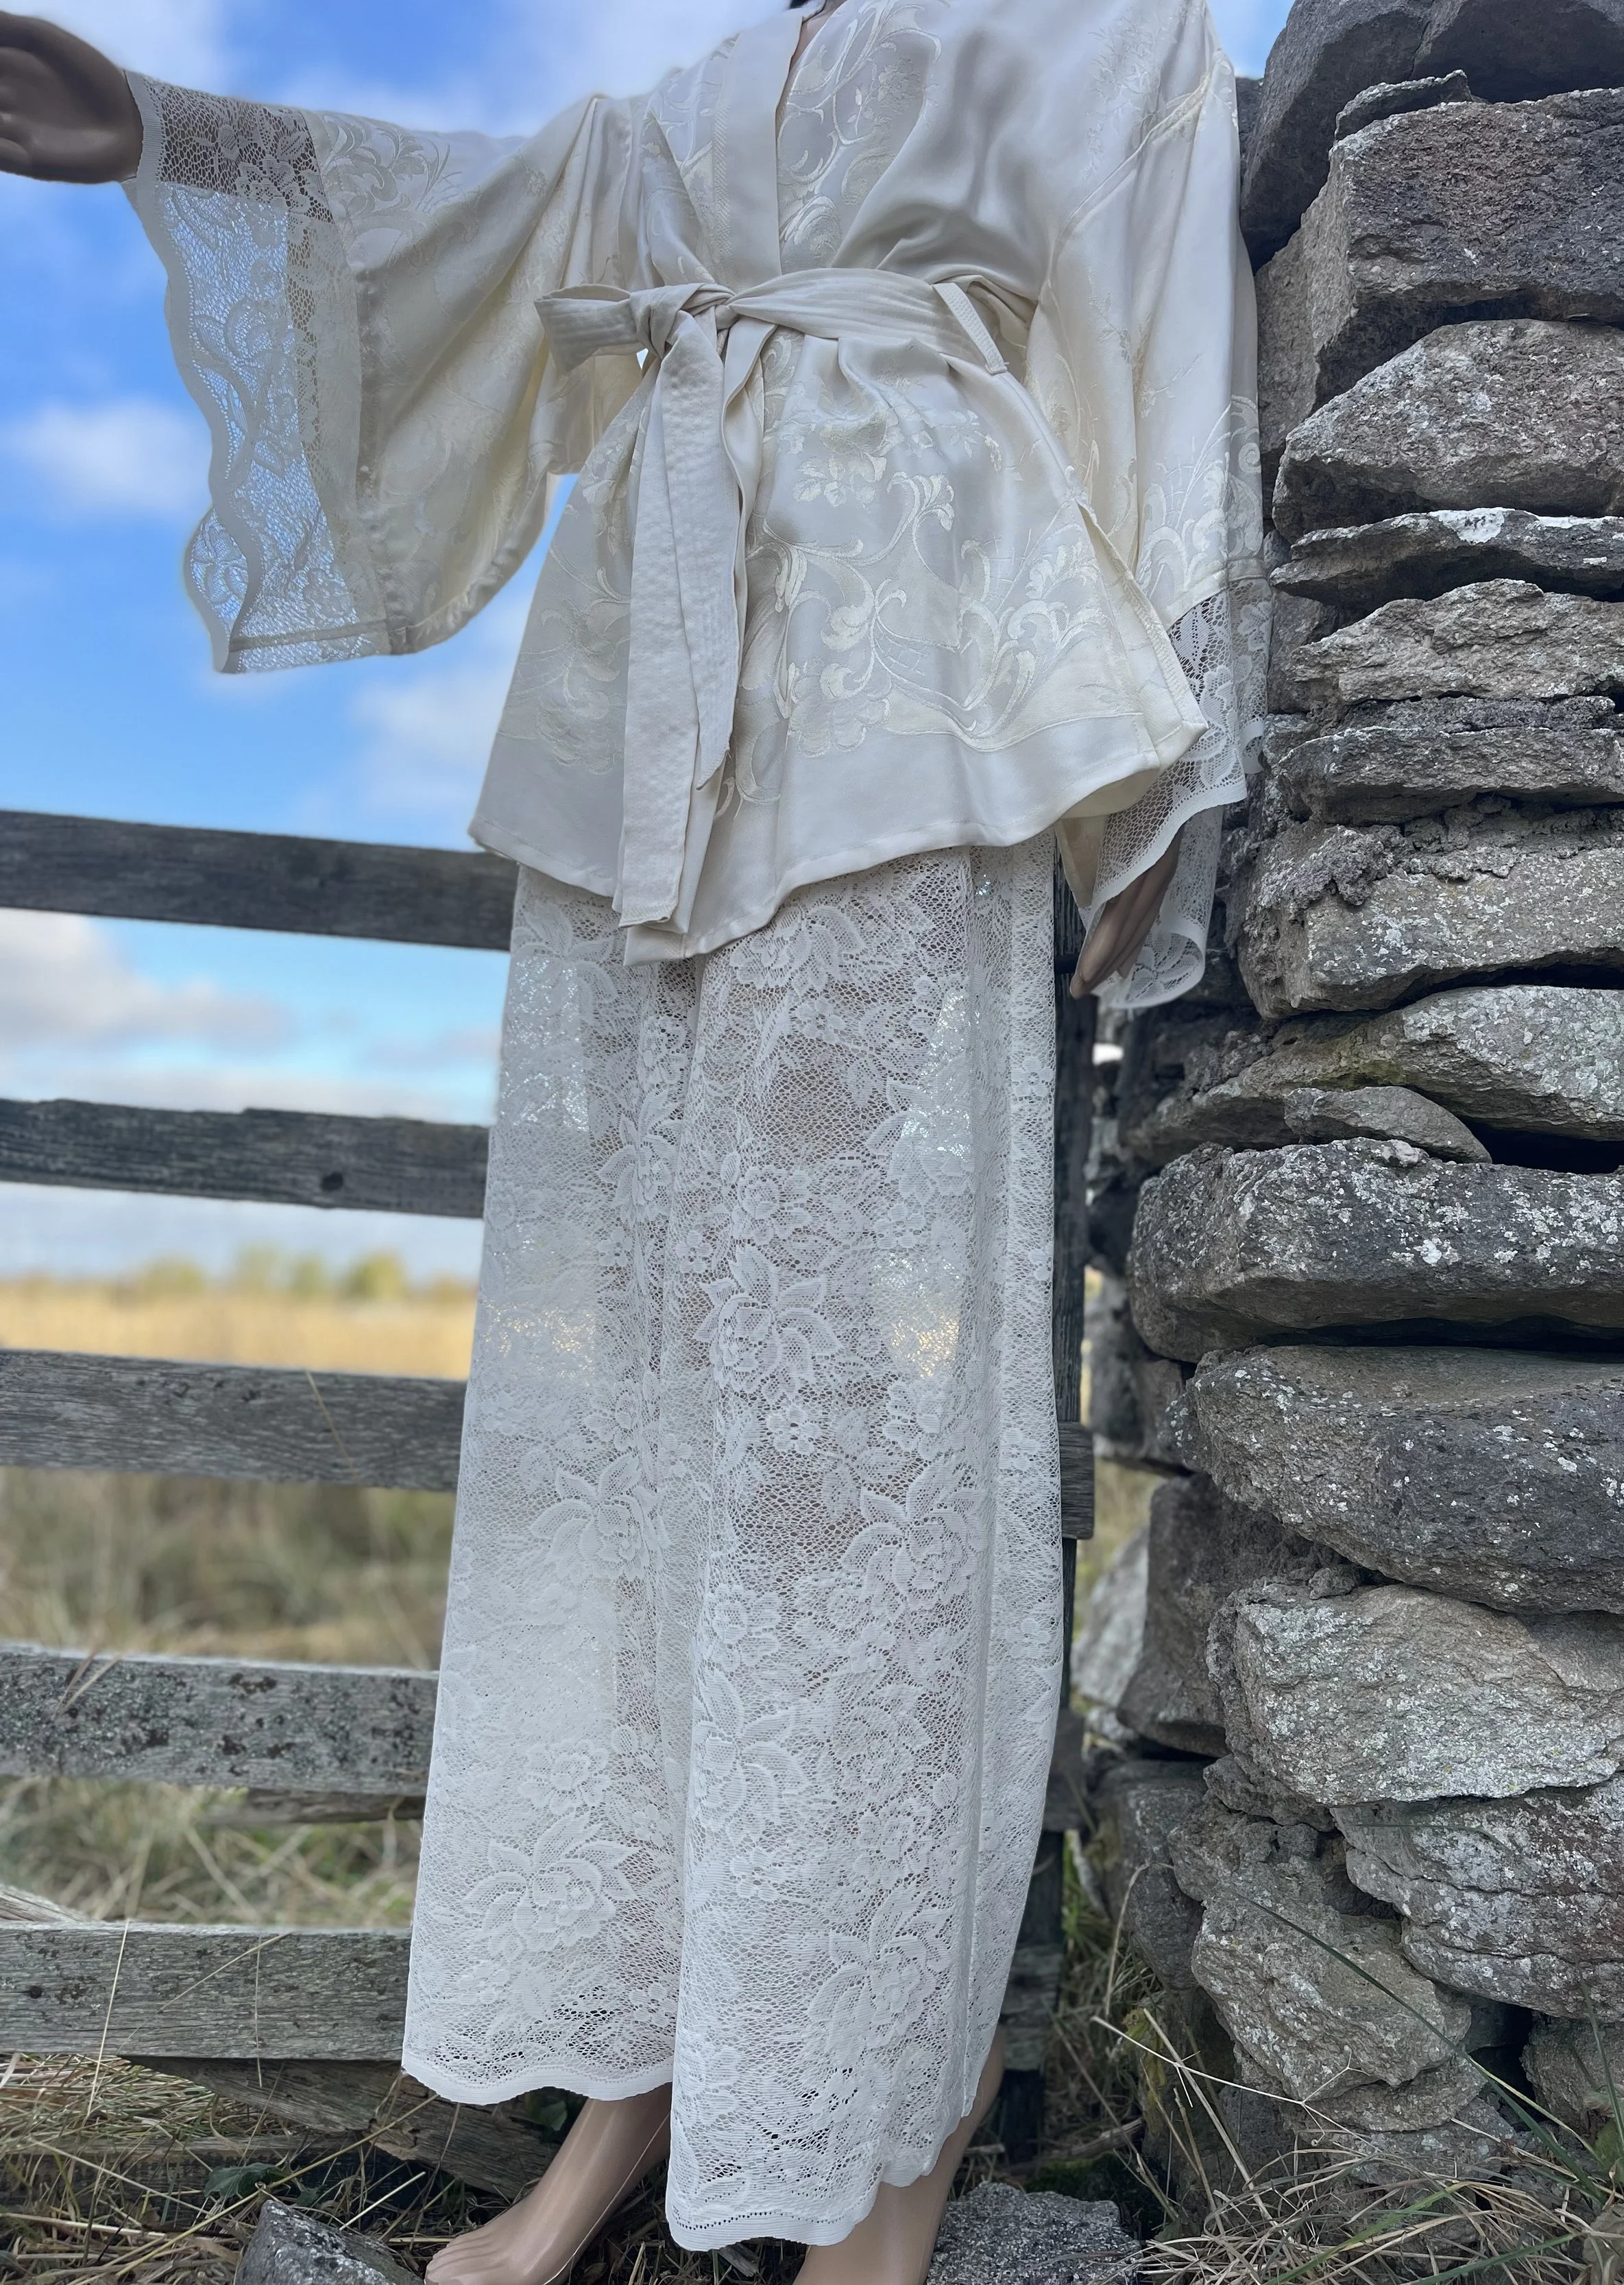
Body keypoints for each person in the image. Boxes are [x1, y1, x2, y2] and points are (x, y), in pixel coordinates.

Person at [0, 3, 1263, 2280]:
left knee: (867, 1457)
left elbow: (1157, 321)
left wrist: (1159, 751)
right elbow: (488, 216)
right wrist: (164, 132)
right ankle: (647, 2104)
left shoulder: (1093, 11)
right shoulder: (687, 98)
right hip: (642, 698)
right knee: (650, 1422)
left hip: (914, 680)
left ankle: (883, 2140)